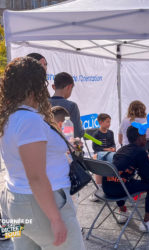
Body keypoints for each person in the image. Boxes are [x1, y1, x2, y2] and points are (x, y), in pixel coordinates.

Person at [0, 57, 85, 249]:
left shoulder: (8, 116)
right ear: (36, 86)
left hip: (14, 200)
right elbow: (36, 176)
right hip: (42, 203)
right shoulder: (29, 119)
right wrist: (55, 218)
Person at [102, 126, 149, 230]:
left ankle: (123, 211)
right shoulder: (140, 152)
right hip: (120, 189)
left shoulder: (122, 149)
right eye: (144, 137)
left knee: (119, 180)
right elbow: (147, 176)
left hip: (107, 187)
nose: (146, 139)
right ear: (139, 138)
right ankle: (147, 222)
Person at [49, 72, 84, 138]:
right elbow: (77, 133)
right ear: (69, 87)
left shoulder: (42, 103)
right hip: (64, 145)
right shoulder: (72, 106)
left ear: (54, 86)